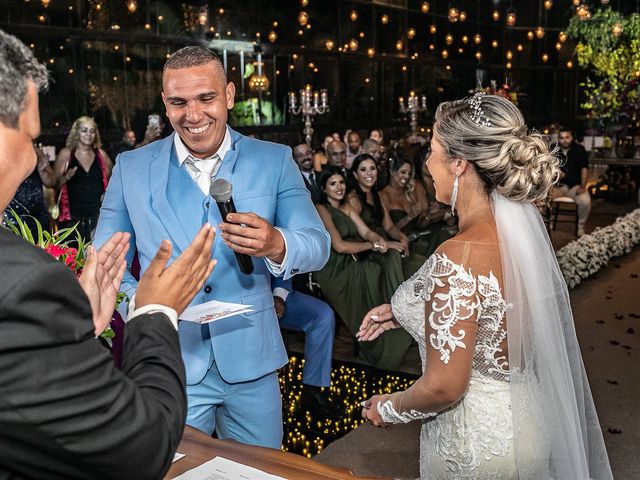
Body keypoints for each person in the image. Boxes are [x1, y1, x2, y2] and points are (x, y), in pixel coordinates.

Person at [358, 93, 612, 479]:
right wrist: (405, 310)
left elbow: (445, 387)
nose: (427, 163)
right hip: (526, 422)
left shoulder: (459, 254)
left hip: (475, 444)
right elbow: (496, 312)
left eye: (433, 150)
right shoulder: (519, 238)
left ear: (459, 164)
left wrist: (388, 407)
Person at [0, 28, 218, 480]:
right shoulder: (22, 285)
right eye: (31, 138)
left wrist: (70, 327)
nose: (30, 159)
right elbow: (140, 449)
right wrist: (154, 311)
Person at [94, 46, 330, 449]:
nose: (194, 115)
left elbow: (317, 245)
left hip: (253, 361)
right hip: (169, 362)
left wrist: (277, 243)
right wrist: (149, 305)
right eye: (179, 103)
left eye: (206, 98)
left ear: (230, 96)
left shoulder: (274, 160)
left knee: (261, 475)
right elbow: (105, 261)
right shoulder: (131, 167)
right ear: (165, 105)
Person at [315, 168, 412, 371]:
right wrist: (372, 246)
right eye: (333, 184)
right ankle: (373, 338)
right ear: (324, 189)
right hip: (334, 268)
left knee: (385, 263)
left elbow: (366, 231)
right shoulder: (321, 208)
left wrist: (380, 240)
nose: (339, 187)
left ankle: (391, 324)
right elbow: (339, 245)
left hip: (353, 259)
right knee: (374, 271)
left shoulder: (347, 207)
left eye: (341, 182)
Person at [272, 276, 338, 419]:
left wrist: (279, 295)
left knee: (323, 316)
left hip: (272, 292)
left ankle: (313, 391)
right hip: (240, 297)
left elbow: (280, 265)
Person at [53, 116, 113, 241]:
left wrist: (107, 194)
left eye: (92, 131)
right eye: (84, 130)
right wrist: (66, 177)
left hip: (97, 218)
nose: (88, 134)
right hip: (71, 220)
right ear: (76, 133)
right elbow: (54, 184)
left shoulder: (101, 154)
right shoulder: (66, 154)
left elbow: (115, 180)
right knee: (71, 258)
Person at [381, 154, 452, 259]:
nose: (406, 176)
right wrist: (409, 216)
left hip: (418, 236)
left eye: (409, 173)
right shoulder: (383, 195)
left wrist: (427, 216)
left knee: (444, 235)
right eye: (403, 172)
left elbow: (419, 225)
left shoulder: (409, 192)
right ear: (392, 172)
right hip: (402, 242)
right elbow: (389, 230)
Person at [551, 126, 591, 237]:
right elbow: (546, 167)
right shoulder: (553, 148)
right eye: (561, 137)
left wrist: (583, 186)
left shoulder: (579, 149)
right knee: (542, 199)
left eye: (567, 137)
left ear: (572, 137)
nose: (564, 140)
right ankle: (547, 222)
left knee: (585, 201)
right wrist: (555, 175)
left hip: (574, 186)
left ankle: (581, 226)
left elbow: (584, 168)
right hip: (557, 186)